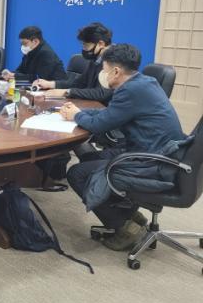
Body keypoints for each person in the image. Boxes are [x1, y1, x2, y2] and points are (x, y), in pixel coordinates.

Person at [60, 44, 187, 251]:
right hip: (162, 153)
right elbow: (111, 114)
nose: (102, 74)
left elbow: (99, 125)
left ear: (116, 71)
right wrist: (79, 112)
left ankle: (125, 228)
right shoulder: (144, 82)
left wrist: (76, 115)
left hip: (153, 162)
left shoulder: (131, 91)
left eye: (104, 69)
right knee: (91, 159)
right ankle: (130, 215)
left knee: (77, 174)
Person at [34, 22, 113, 103]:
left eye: (86, 45)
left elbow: (102, 93)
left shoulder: (114, 61)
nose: (83, 49)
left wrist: (66, 92)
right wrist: (50, 84)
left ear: (100, 44)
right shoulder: (96, 60)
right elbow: (78, 84)